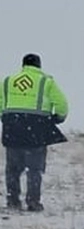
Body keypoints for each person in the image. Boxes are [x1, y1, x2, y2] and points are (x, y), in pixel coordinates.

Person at [0, 54, 68, 211]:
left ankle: (13, 201)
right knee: (34, 169)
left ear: (23, 65)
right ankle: (33, 202)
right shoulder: (46, 81)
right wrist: (58, 117)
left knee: (12, 169)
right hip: (36, 129)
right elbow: (62, 104)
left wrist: (6, 117)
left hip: (12, 127)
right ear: (39, 65)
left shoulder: (8, 81)